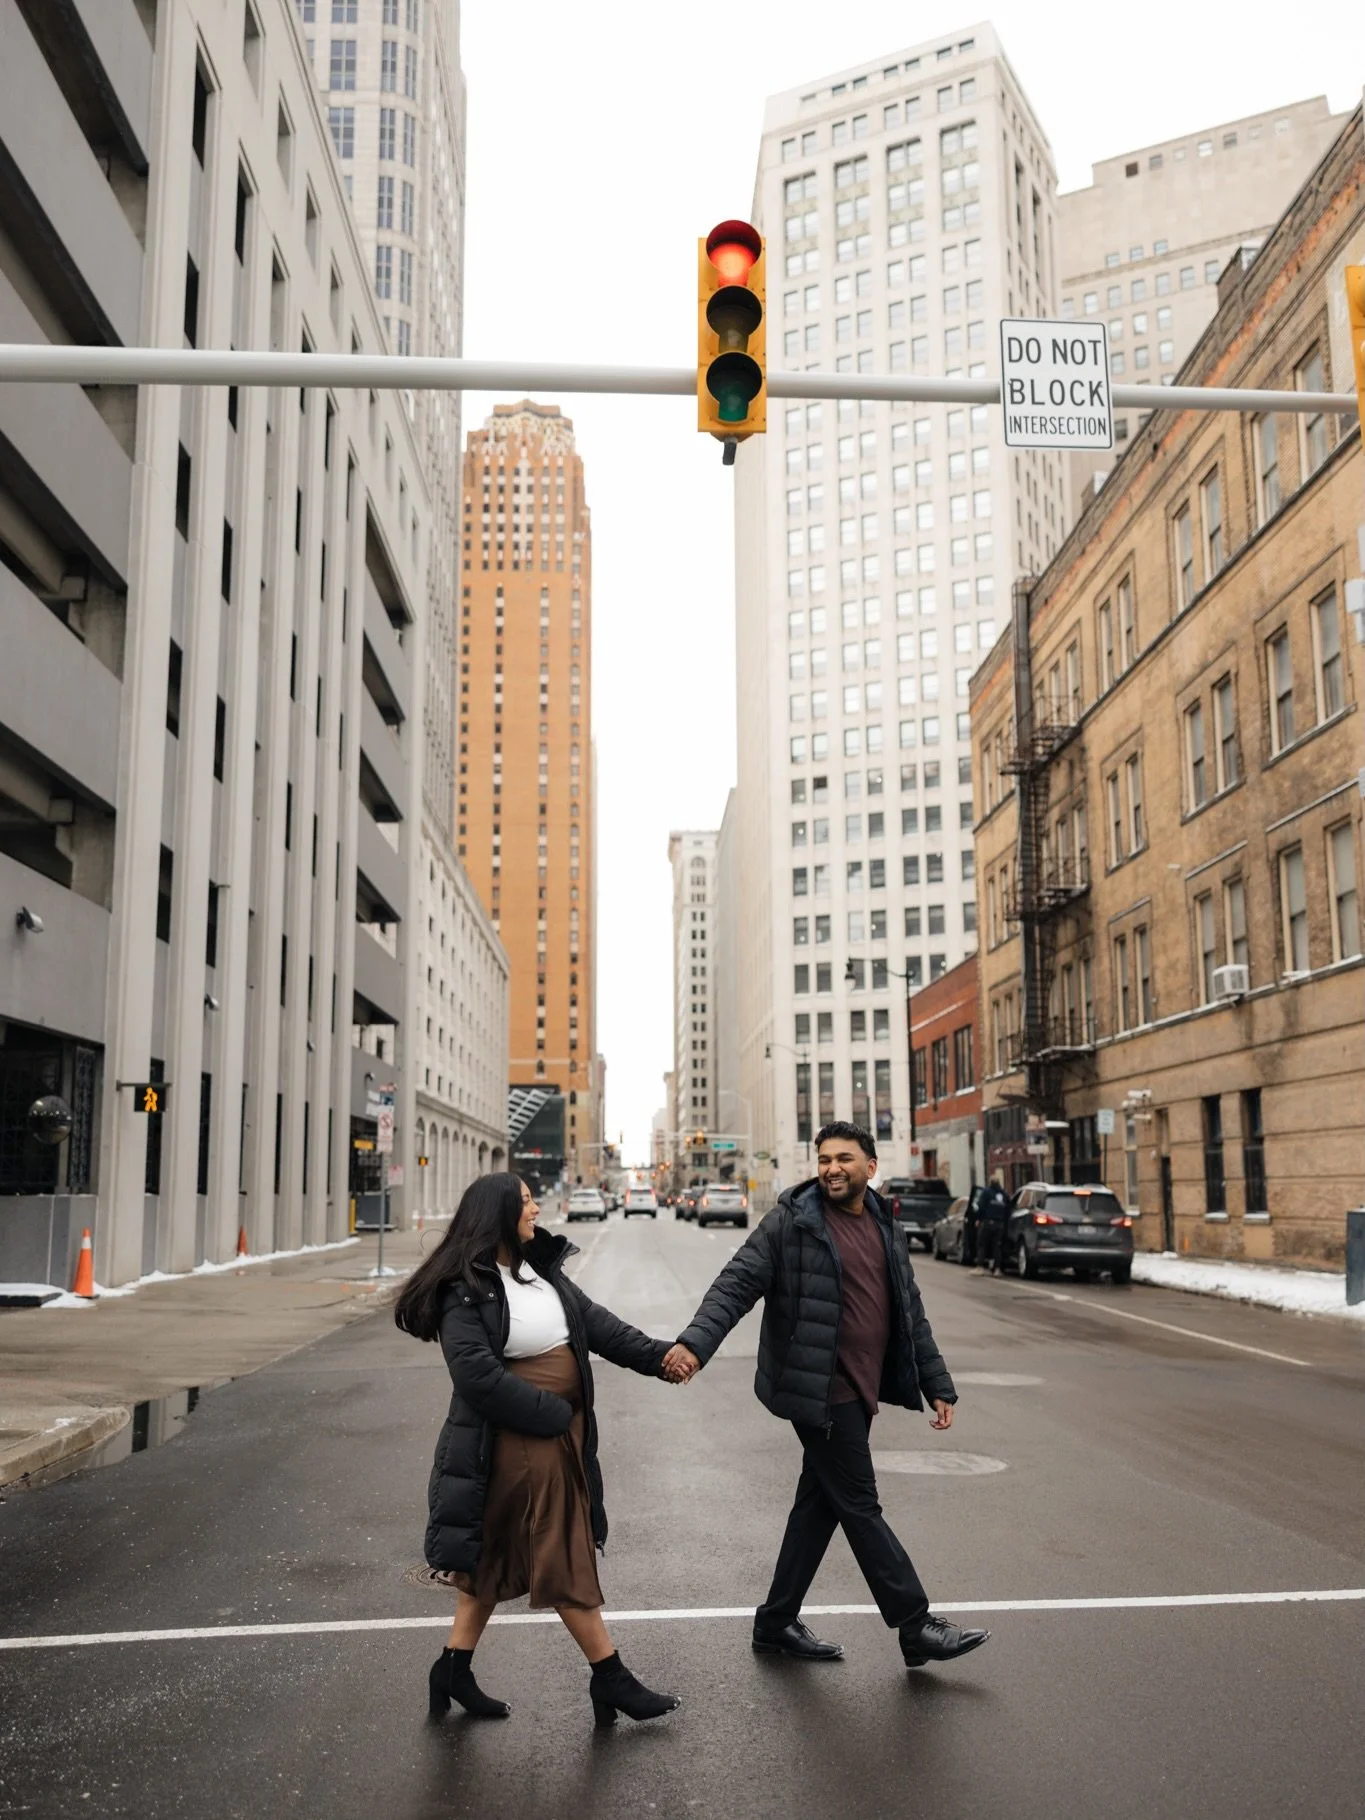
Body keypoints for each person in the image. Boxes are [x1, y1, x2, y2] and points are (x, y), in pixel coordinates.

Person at [663, 1123, 990, 1673]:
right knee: (859, 1504)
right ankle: (915, 1625)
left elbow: (909, 1309)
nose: (832, 1168)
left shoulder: (884, 1222)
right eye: (824, 1160)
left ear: (871, 1167)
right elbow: (735, 1284)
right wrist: (695, 1345)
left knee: (819, 1507)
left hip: (861, 1387)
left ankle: (775, 1623)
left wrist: (936, 1382)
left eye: (843, 1159)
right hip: (819, 1387)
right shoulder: (792, 1222)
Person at [395, 1171, 683, 1727]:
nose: (535, 1210)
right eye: (525, 1202)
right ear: (498, 1214)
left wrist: (663, 1358)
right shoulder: (465, 1288)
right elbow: (475, 1375)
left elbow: (601, 1328)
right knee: (562, 1545)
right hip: (524, 1436)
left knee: (494, 1550)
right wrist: (552, 1413)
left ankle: (452, 1668)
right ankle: (610, 1676)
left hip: (552, 1435)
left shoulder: (538, 1271)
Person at [975, 1176, 1012, 1275]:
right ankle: (997, 1269)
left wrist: (978, 1219)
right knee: (997, 1246)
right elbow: (1008, 1209)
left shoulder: (986, 1192)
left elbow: (981, 1207)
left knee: (982, 1243)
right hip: (1000, 1224)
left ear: (990, 1182)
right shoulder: (1004, 1194)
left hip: (987, 1222)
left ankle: (980, 1267)